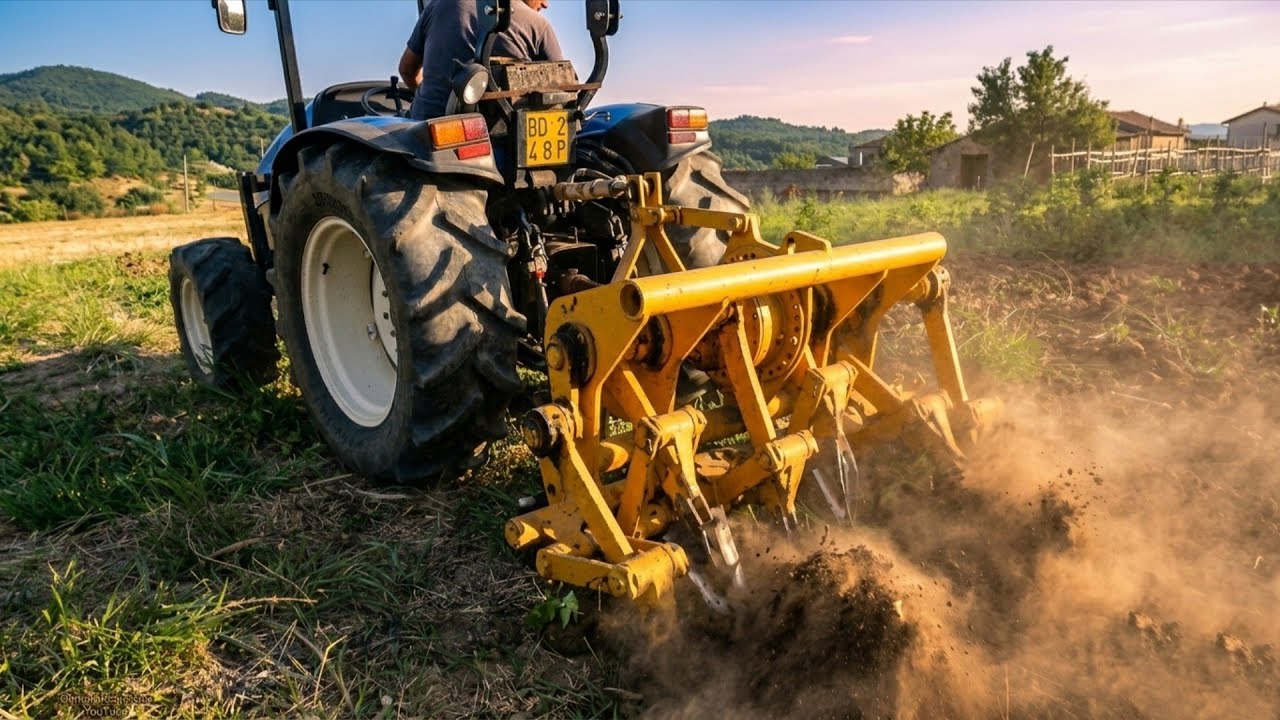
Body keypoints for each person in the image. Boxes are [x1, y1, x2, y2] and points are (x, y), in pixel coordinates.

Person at [399, 0, 566, 121]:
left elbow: (406, 70)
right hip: (501, 137)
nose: (545, 4)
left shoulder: (437, 5)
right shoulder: (538, 25)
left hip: (429, 129)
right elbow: (564, 90)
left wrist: (433, 98)